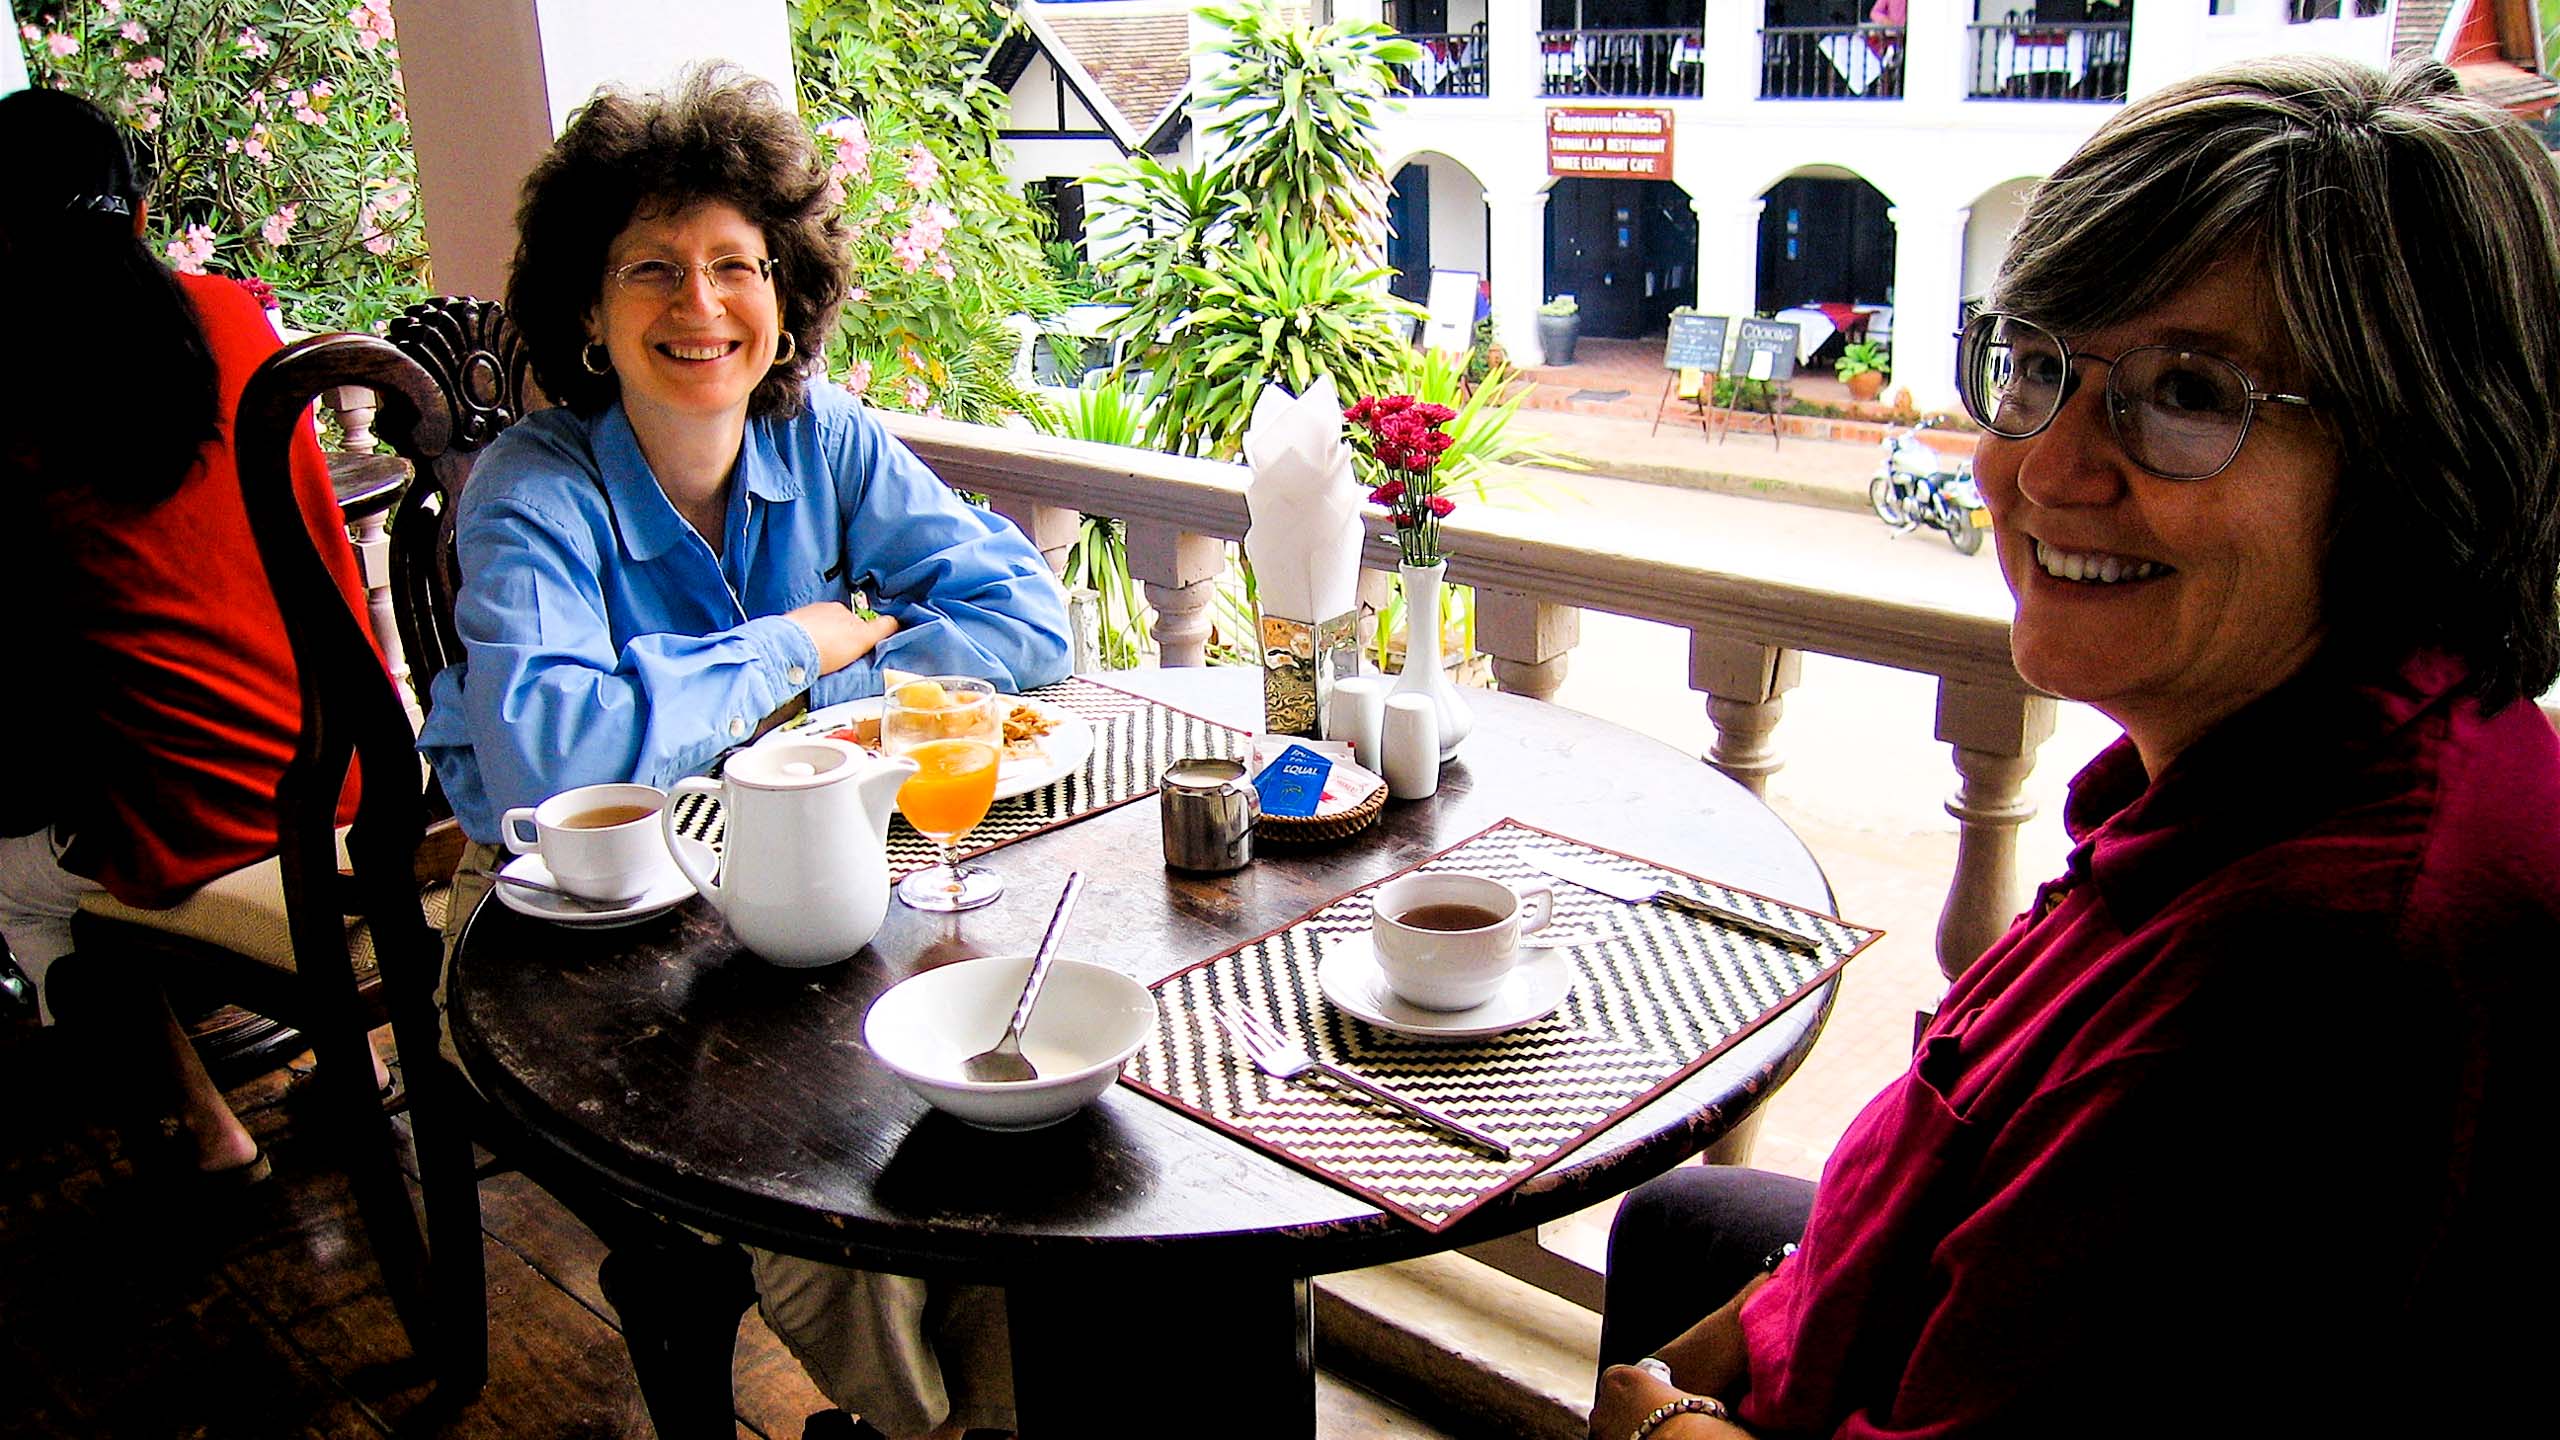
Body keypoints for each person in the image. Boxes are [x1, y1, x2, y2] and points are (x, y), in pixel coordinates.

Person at [1592, 56, 2555, 1440]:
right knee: (1682, 1223)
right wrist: (1770, 1312)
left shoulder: (2314, 983)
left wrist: (1656, 1423)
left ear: (2416, 462)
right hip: (1883, 1295)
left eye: (2187, 392)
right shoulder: (2261, 766)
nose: (2043, 470)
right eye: (2037, 366)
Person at [416, 69, 1068, 1440]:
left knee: (985, 1090)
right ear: (588, 309)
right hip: (568, 937)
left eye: (735, 265)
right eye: (652, 268)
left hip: (799, 880)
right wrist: (792, 641)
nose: (701, 304)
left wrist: (818, 699)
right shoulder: (536, 489)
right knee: (826, 1145)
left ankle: (969, 1416)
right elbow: (552, 769)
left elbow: (1023, 617)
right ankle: (929, 1420)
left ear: (784, 291)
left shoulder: (821, 436)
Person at [0, 88, 374, 1182]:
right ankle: (351, 1064)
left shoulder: (12, 383)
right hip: (355, 770)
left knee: (14, 879)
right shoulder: (233, 319)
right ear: (138, 210)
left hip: (203, 823)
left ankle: (206, 1130)